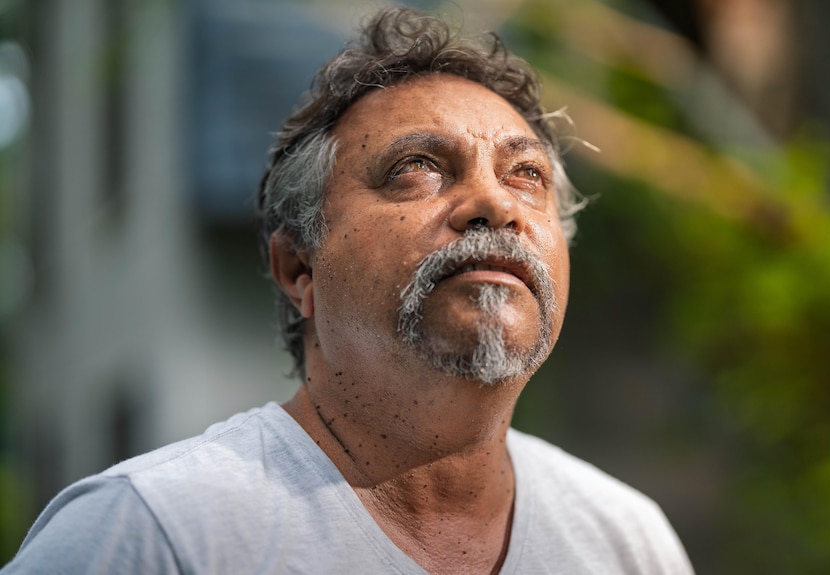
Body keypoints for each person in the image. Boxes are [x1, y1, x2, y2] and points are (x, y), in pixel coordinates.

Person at [2, 7, 693, 574]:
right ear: (298, 268)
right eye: (418, 167)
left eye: (527, 176)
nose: (494, 203)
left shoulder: (627, 543)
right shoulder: (149, 535)